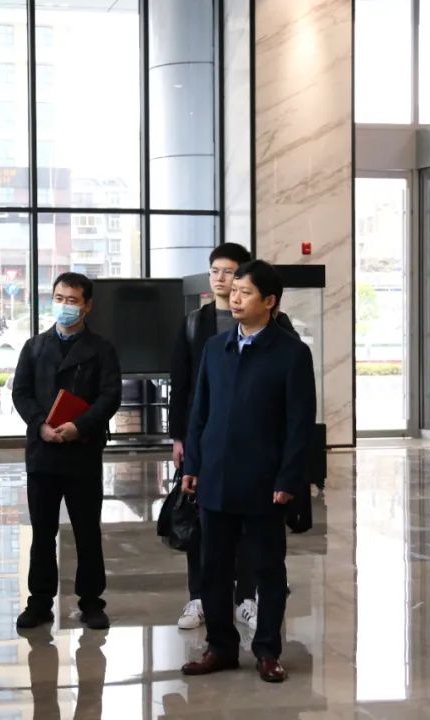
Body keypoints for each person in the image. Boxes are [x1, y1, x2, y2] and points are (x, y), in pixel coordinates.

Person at [180, 260, 316, 683]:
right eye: (233, 291)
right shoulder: (215, 348)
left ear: (269, 301)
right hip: (216, 477)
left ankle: (267, 651)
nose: (234, 298)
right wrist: (193, 464)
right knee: (214, 569)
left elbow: (300, 424)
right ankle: (220, 648)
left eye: (245, 292)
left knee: (267, 571)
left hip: (264, 481)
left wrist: (289, 478)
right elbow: (200, 411)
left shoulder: (292, 353)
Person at [168, 243, 298, 631]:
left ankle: (250, 606)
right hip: (210, 452)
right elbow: (187, 392)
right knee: (205, 536)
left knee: (256, 541)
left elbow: (295, 410)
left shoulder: (282, 336)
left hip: (258, 459)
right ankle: (205, 608)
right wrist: (184, 444)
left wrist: (289, 472)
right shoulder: (200, 329)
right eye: (217, 272)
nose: (224, 283)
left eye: (233, 275)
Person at [12, 272, 122, 631]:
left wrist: (80, 426)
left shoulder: (102, 349)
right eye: (59, 298)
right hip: (42, 452)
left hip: (82, 452)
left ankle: (91, 602)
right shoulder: (34, 346)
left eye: (72, 300)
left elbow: (110, 396)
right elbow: (21, 392)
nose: (64, 306)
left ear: (87, 306)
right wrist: (40, 424)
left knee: (87, 531)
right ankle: (39, 602)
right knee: (42, 532)